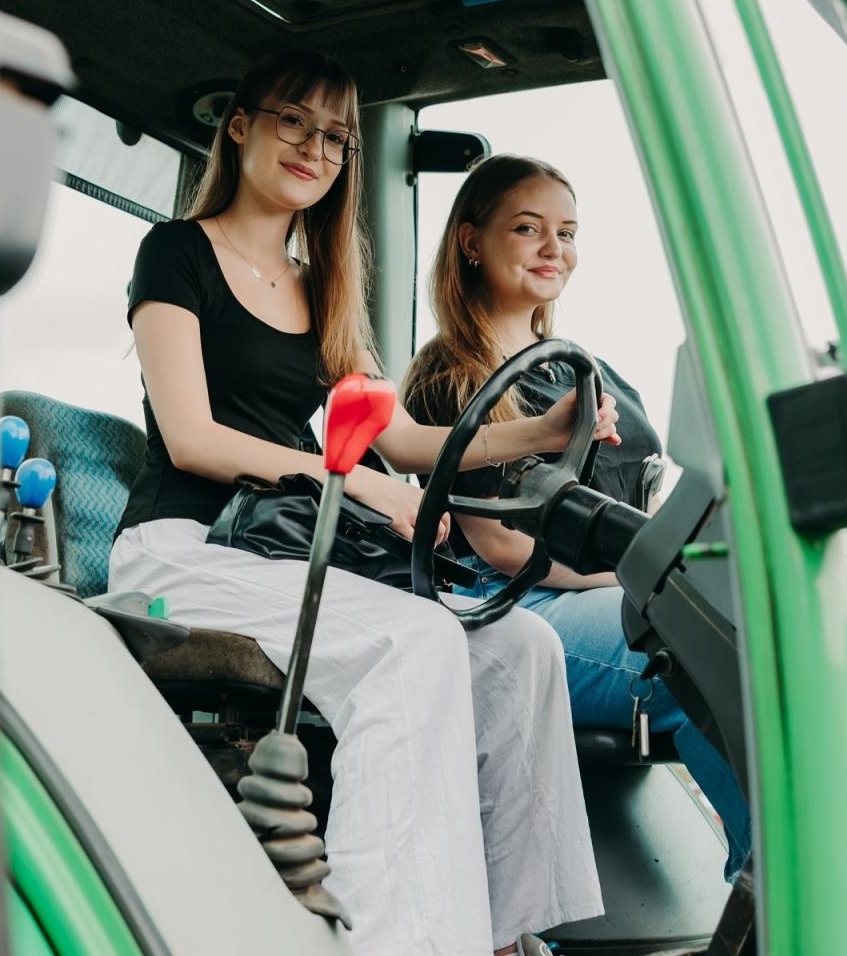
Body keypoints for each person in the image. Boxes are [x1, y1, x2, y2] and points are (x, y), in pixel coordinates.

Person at [107, 50, 617, 956]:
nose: (315, 148)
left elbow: (411, 445)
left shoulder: (325, 287)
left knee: (521, 647)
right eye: (294, 122)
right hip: (181, 548)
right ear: (241, 125)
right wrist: (353, 483)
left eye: (336, 137)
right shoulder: (178, 252)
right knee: (414, 641)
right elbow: (193, 438)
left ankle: (505, 937)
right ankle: (388, 940)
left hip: (278, 551)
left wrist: (542, 434)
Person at [402, 154, 753, 882]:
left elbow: (646, 498)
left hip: (620, 591)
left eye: (566, 232)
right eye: (527, 228)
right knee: (705, 652)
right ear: (471, 241)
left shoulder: (588, 370)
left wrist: (671, 568)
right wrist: (642, 577)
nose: (552, 248)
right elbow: (500, 546)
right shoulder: (451, 378)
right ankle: (775, 889)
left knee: (755, 634)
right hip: (519, 605)